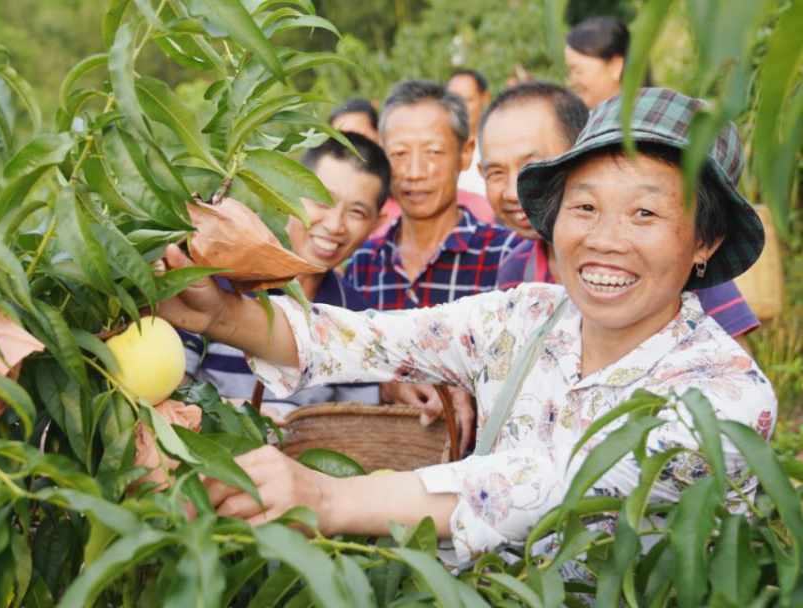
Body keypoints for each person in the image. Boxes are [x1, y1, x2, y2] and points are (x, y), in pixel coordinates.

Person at [158, 88, 774, 568]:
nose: (605, 240)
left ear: (704, 241)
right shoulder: (526, 315)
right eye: (584, 207)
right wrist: (221, 315)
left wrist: (329, 497)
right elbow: (370, 340)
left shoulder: (728, 394)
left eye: (645, 213)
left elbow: (555, 479)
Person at [479, 81, 760, 341]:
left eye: (644, 213)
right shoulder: (515, 269)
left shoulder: (683, 276)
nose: (512, 192)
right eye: (587, 207)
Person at [346, 79, 519, 437]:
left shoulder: (507, 256)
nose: (414, 172)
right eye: (399, 154)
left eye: (434, 152)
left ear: (466, 153)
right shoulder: (363, 263)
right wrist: (386, 386)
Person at [180, 133, 388, 420]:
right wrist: (240, 417)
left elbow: (354, 422)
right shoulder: (215, 277)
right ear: (287, 195)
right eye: (323, 201)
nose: (335, 225)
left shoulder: (354, 316)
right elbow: (170, 385)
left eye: (357, 212)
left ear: (376, 224)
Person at [565, 16, 651, 108]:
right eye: (569, 72)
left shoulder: (637, 119)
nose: (569, 82)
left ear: (616, 66)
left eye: (578, 71)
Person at [446, 68, 492, 196]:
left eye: (468, 100)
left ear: (485, 97)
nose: (460, 107)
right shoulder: (435, 146)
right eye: (453, 100)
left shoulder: (498, 145)